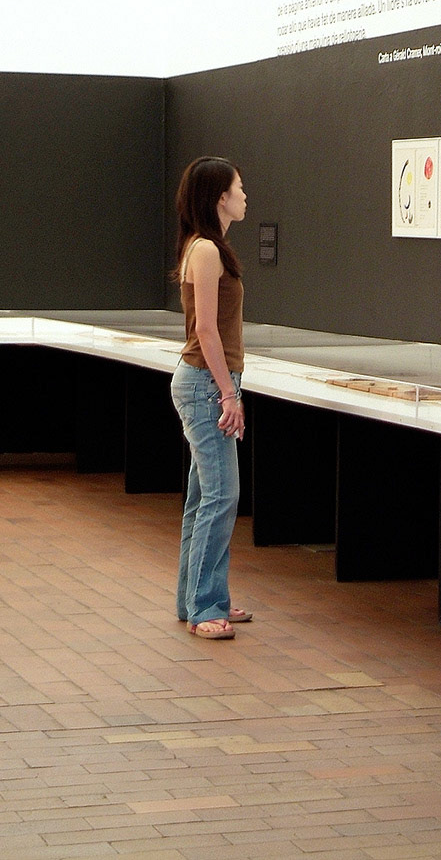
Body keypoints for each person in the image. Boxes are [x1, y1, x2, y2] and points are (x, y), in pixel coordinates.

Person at [171, 156, 251, 640]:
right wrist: (227, 394)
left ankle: (198, 598)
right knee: (222, 496)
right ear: (220, 196)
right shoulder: (204, 251)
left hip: (208, 382)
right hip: (206, 384)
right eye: (239, 188)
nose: (245, 196)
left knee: (205, 496)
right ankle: (204, 608)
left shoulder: (209, 248)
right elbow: (205, 329)